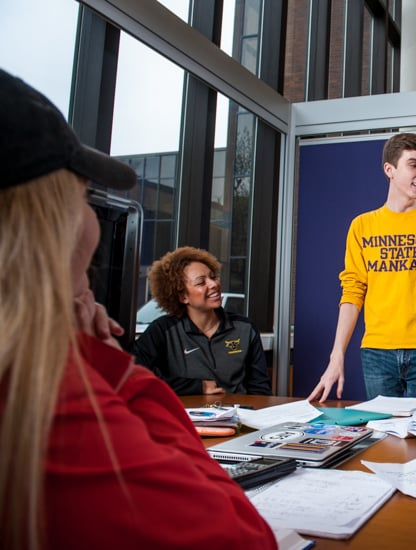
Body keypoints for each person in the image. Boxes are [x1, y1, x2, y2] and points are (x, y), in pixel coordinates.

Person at [0, 70, 277, 549]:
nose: (213, 285)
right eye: (84, 198)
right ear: (48, 221)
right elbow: (243, 538)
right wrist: (110, 365)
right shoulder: (44, 397)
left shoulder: (245, 329)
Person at [308, 133, 416, 402]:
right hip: (376, 353)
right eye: (414, 164)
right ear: (390, 169)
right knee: (385, 438)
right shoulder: (362, 226)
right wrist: (336, 356)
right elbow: (352, 293)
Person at [133, 247, 271, 396]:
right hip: (186, 418)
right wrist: (197, 387)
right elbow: (134, 375)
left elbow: (260, 390)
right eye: (201, 282)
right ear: (182, 296)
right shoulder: (162, 330)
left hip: (239, 416)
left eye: (213, 277)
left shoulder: (245, 328)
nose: (213, 284)